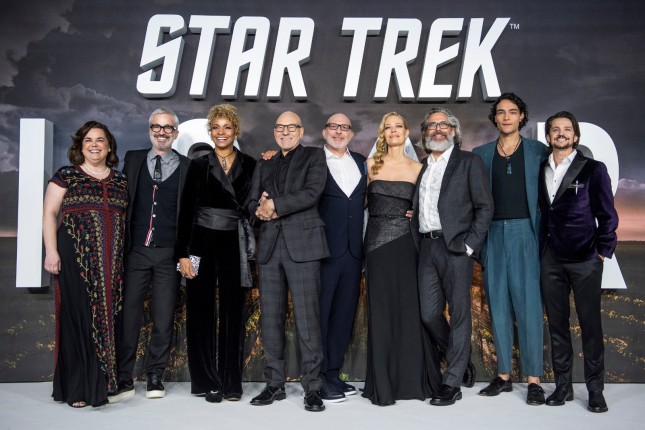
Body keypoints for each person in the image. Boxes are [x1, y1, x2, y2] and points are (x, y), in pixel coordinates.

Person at [246, 111, 329, 412]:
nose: (285, 132)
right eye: (280, 127)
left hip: (303, 245)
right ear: (274, 131)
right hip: (269, 247)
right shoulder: (264, 162)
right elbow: (251, 201)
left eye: (291, 127)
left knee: (308, 320)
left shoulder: (314, 157)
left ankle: (313, 387)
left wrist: (275, 205)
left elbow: (312, 193)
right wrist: (260, 208)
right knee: (270, 319)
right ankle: (274, 384)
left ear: (301, 131)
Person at [176, 104, 257, 403]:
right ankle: (206, 380)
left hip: (234, 241)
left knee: (234, 311)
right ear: (210, 131)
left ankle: (231, 381)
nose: (221, 132)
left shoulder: (250, 164)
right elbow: (186, 211)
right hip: (200, 241)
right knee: (200, 310)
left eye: (227, 127)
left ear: (235, 131)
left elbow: (253, 204)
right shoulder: (197, 165)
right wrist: (183, 254)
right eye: (216, 127)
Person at [43, 121, 128, 408]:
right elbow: (49, 213)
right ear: (80, 145)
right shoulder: (66, 176)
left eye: (100, 140)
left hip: (111, 265)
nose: (94, 145)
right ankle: (77, 388)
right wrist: (51, 251)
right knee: (78, 317)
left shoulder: (120, 181)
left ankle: (104, 383)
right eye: (88, 140)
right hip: (76, 260)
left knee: (108, 318)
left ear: (109, 146)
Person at [413, 108, 494, 406]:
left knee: (460, 314)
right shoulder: (422, 166)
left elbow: (485, 206)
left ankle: (452, 382)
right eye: (432, 125)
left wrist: (469, 246)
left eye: (443, 124)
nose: (437, 129)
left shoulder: (469, 162)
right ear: (425, 132)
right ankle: (459, 360)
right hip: (427, 246)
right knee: (428, 313)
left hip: (457, 249)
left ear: (453, 130)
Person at [538, 111, 618, 413]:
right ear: (548, 136)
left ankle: (595, 390)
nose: (561, 133)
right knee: (557, 326)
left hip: (585, 259)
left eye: (567, 129)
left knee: (590, 326)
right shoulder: (541, 168)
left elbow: (607, 214)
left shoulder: (593, 169)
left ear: (575, 136)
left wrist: (601, 252)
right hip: (550, 259)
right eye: (555, 129)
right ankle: (563, 387)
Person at [473, 93, 549, 405]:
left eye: (512, 112)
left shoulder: (538, 151)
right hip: (492, 234)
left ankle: (534, 380)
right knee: (498, 306)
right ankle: (503, 376)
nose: (506, 117)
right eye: (501, 112)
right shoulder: (481, 154)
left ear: (522, 117)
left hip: (525, 232)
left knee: (529, 306)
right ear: (495, 118)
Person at [111, 108, 190, 402]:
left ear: (175, 133)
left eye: (168, 128)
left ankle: (155, 374)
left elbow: (190, 213)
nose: (161, 132)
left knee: (163, 317)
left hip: (169, 254)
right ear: (149, 130)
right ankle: (123, 376)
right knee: (129, 315)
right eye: (156, 126)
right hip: (136, 253)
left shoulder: (187, 166)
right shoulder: (132, 159)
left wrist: (185, 254)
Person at [362, 112, 440, 406]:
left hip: (407, 246)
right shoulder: (369, 164)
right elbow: (357, 204)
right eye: (388, 127)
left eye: (398, 127)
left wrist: (416, 212)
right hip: (376, 246)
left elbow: (431, 207)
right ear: (382, 133)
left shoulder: (419, 168)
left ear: (406, 132)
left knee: (410, 310)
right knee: (381, 312)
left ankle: (412, 379)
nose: (393, 131)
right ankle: (383, 383)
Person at [317, 114, 367, 402]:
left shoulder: (361, 162)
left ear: (351, 134)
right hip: (324, 251)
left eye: (344, 127)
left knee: (343, 315)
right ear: (324, 132)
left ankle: (333, 373)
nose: (338, 132)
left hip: (353, 252)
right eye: (333, 127)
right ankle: (319, 376)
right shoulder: (312, 160)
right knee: (321, 315)